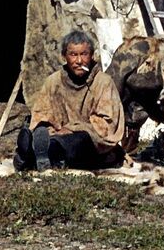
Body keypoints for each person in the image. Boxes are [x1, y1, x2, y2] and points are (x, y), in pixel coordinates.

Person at [15, 30, 125, 172]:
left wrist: (73, 129)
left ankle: (33, 155)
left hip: (92, 142)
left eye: (84, 54)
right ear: (64, 56)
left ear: (92, 55)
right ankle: (35, 151)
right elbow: (41, 113)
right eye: (73, 55)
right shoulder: (53, 82)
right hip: (58, 133)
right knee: (43, 134)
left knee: (76, 141)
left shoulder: (103, 82)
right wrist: (48, 128)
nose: (79, 61)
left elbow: (108, 124)